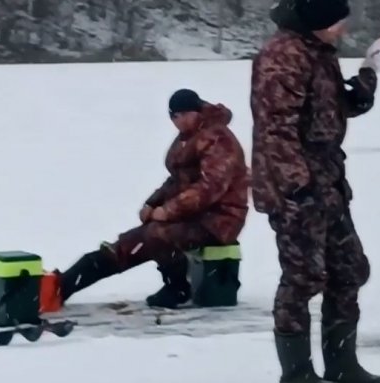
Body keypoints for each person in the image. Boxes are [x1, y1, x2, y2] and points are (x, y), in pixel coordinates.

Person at [250, 0, 380, 383]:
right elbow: (275, 130)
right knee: (303, 276)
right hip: (295, 188)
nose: (343, 29)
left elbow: (333, 109)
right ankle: (296, 373)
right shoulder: (282, 56)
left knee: (349, 269)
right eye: (337, 22)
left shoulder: (317, 51)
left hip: (328, 181)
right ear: (317, 21)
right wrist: (297, 188)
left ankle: (342, 364)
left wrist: (368, 75)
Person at [41, 89, 249, 310]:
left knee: (155, 234)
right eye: (174, 116)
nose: (178, 121)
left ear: (197, 112)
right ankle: (62, 286)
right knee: (132, 242)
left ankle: (177, 287)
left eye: (184, 115)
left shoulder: (218, 139)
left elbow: (210, 187)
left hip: (219, 220)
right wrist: (153, 203)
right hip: (192, 215)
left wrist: (169, 210)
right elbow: (177, 180)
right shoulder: (189, 137)